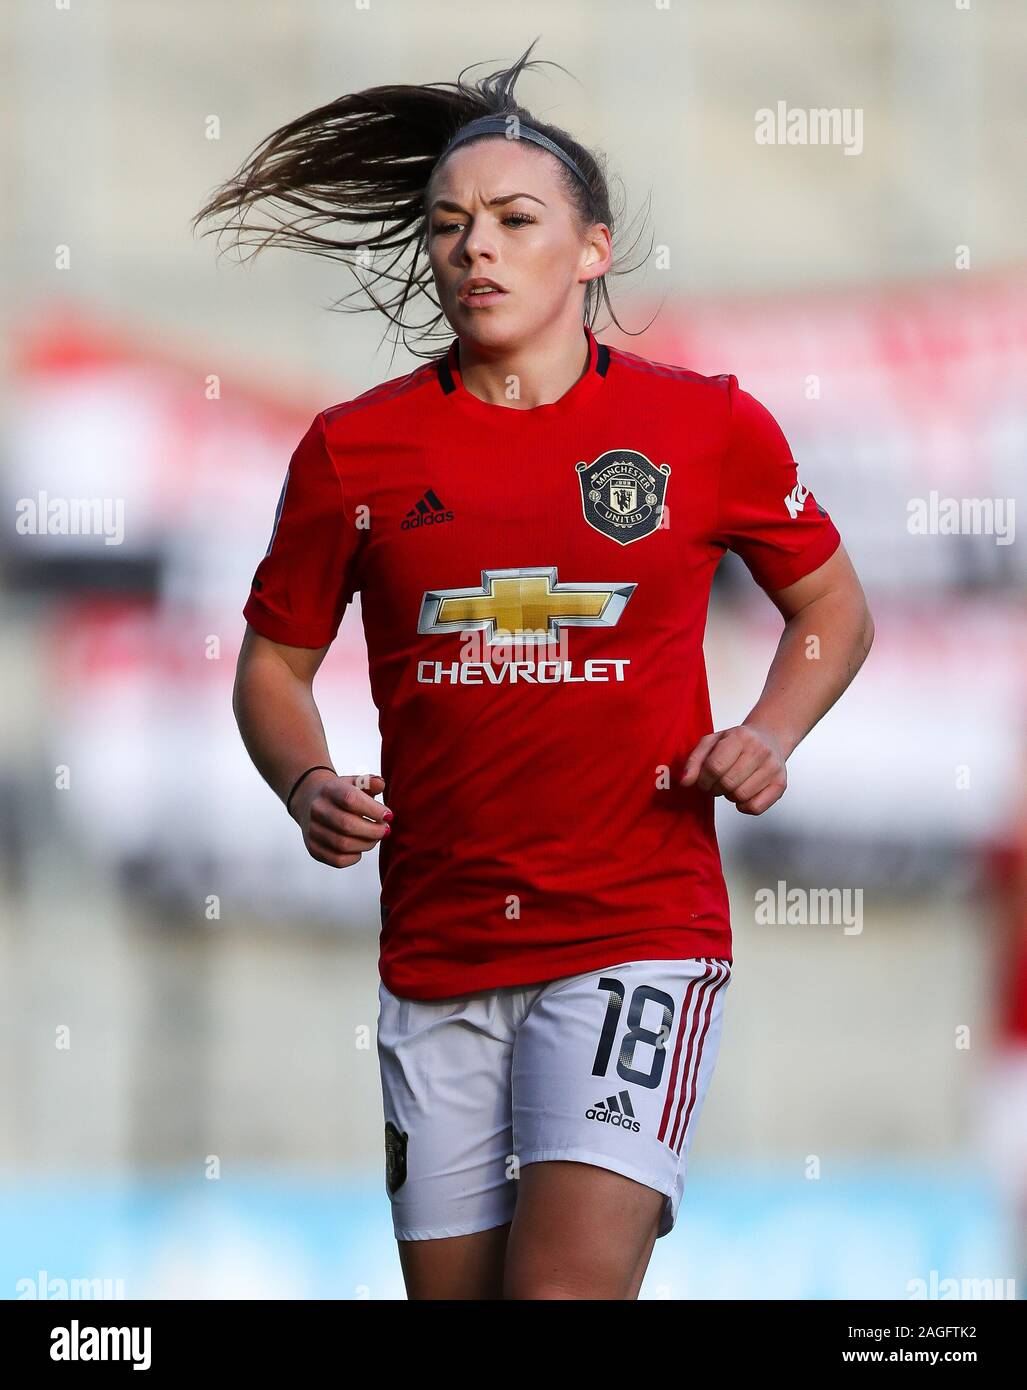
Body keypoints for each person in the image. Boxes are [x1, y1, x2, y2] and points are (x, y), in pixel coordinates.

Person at [194, 41, 874, 1300]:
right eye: (449, 227)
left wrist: (771, 732)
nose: (477, 249)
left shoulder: (702, 425)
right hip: (439, 947)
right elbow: (271, 670)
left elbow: (830, 606)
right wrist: (302, 784)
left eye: (515, 220)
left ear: (593, 249)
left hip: (634, 930)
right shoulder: (355, 453)